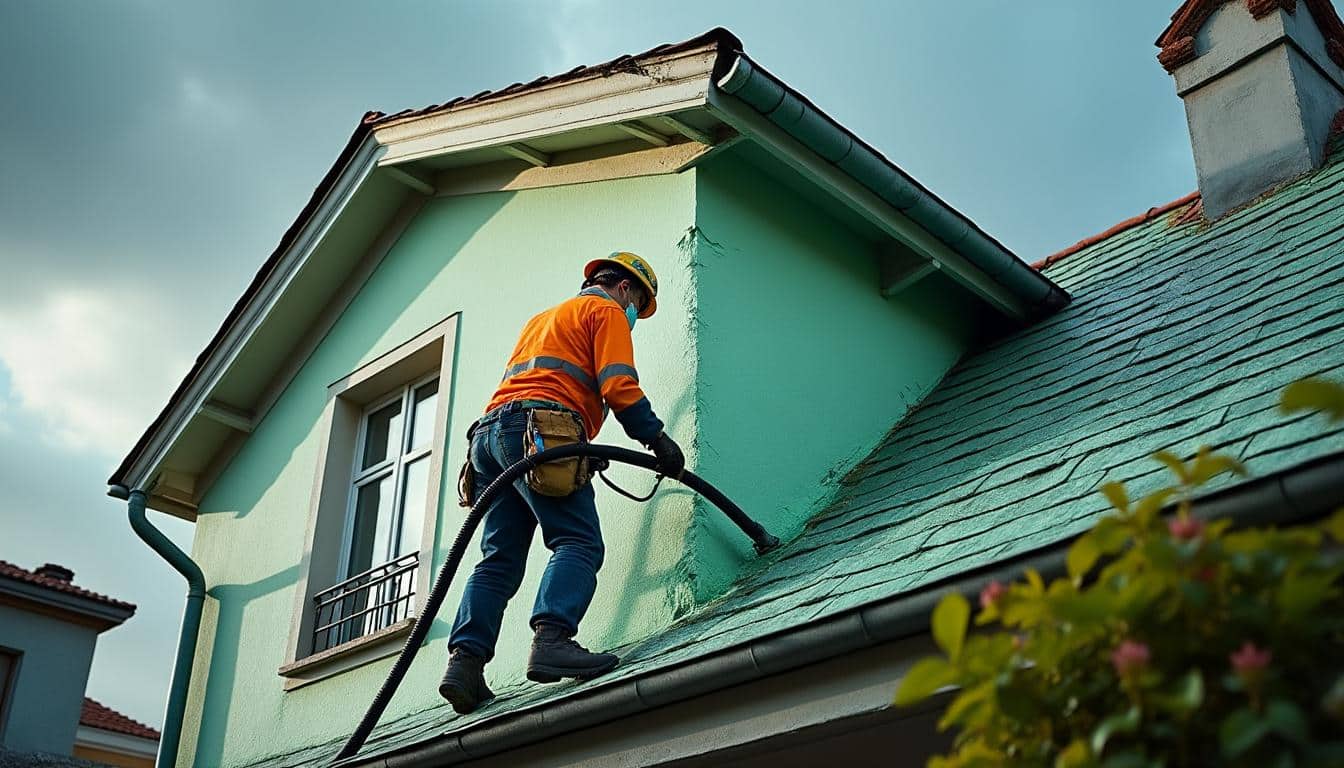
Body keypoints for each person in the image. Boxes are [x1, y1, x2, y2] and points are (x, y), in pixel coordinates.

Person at [439, 251, 685, 715]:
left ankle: (464, 665)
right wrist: (657, 438)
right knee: (578, 540)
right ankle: (552, 639)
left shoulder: (544, 318)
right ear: (626, 288)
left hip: (489, 439)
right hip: (541, 429)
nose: (634, 316)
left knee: (498, 559)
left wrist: (581, 447)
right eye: (639, 305)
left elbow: (542, 382)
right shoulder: (606, 310)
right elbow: (618, 385)